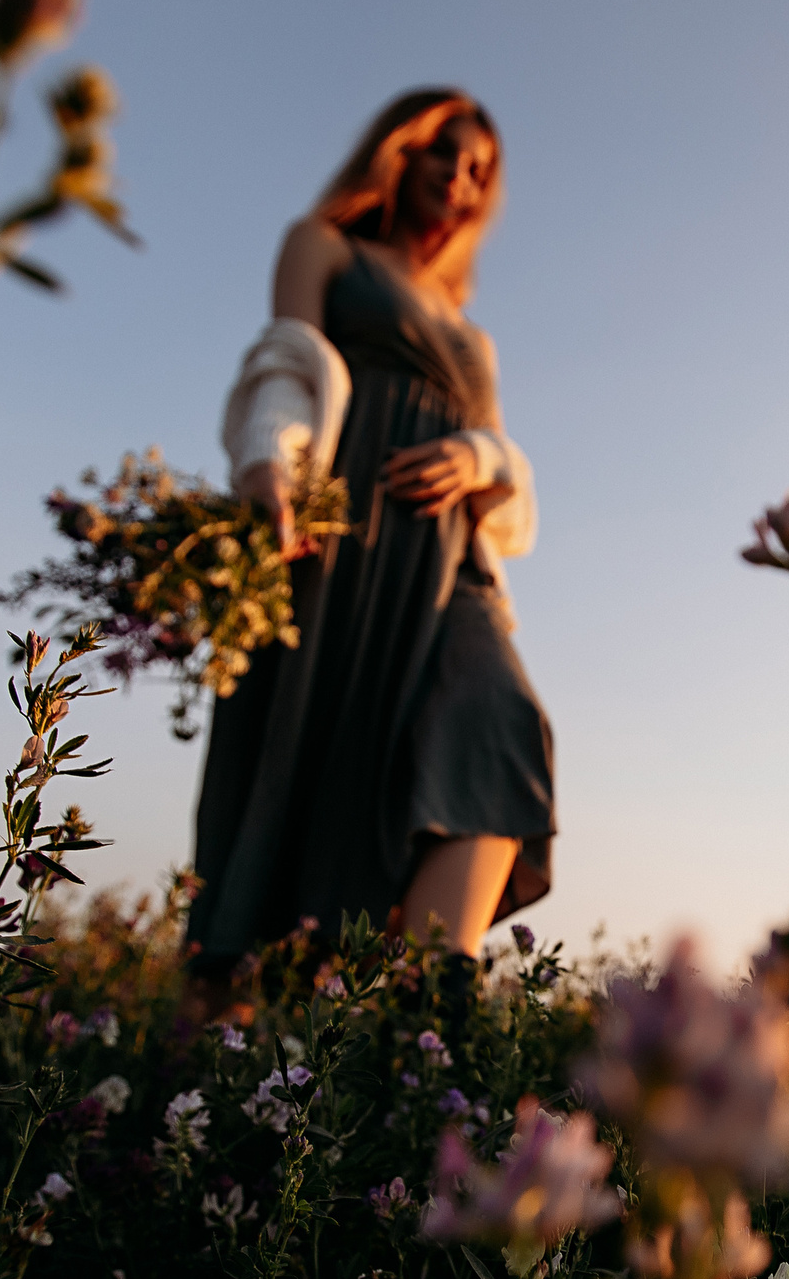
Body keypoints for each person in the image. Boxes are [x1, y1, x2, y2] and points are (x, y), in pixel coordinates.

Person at [187, 89, 553, 985]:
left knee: (501, 720)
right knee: (302, 765)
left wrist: (477, 454)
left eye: (479, 173)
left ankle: (434, 996)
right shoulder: (326, 249)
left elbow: (507, 461)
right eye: (446, 155)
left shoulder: (474, 337)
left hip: (445, 572)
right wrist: (270, 463)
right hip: (338, 543)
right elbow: (286, 362)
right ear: (400, 154)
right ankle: (244, 1027)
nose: (459, 181)